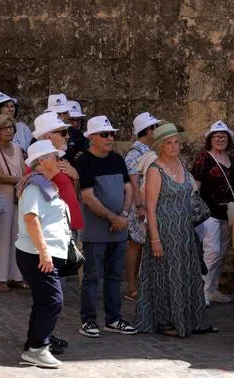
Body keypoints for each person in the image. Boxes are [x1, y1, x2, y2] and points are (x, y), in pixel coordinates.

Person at [137, 123, 211, 337]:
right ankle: (165, 321)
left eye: (177, 142)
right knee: (165, 277)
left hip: (184, 230)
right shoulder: (155, 170)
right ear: (160, 146)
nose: (174, 146)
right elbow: (150, 208)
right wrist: (155, 240)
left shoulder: (181, 163)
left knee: (186, 274)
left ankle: (189, 319)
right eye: (169, 143)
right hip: (165, 231)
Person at [14, 140, 76, 369]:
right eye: (54, 157)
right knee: (53, 300)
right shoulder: (34, 187)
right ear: (41, 162)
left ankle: (36, 344)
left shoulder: (44, 184)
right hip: (36, 254)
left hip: (41, 254)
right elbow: (31, 219)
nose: (59, 161)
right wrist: (44, 253)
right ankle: (37, 347)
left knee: (45, 301)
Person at [75, 115, 137, 337]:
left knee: (114, 277)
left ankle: (113, 319)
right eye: (105, 134)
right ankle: (88, 321)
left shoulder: (117, 159)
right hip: (96, 231)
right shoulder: (84, 162)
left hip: (118, 229)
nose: (110, 138)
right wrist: (114, 218)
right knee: (91, 278)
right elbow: (88, 197)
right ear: (92, 137)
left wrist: (123, 215)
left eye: (112, 134)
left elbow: (128, 189)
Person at [192, 120, 234, 305]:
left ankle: (212, 289)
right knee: (212, 251)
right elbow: (196, 184)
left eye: (223, 136)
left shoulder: (231, 159)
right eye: (216, 136)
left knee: (221, 254)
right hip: (208, 212)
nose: (220, 139)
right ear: (210, 139)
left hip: (227, 213)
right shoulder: (204, 158)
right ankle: (201, 291)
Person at [0, 114, 27, 292]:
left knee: (18, 237)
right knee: (1, 238)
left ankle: (16, 276)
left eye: (10, 127)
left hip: (17, 196)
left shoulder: (17, 148)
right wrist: (21, 180)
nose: (8, 131)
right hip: (1, 197)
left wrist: (22, 182)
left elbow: (24, 170)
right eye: (4, 128)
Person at [125, 111, 161, 302]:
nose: (156, 130)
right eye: (154, 127)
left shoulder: (148, 151)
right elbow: (133, 180)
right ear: (147, 130)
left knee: (140, 244)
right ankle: (131, 286)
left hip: (147, 203)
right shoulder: (136, 152)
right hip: (139, 204)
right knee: (135, 244)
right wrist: (139, 205)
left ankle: (138, 284)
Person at [33, 111, 84, 235]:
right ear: (47, 136)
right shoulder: (38, 164)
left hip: (68, 227)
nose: (67, 136)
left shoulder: (61, 160)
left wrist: (76, 177)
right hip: (54, 230)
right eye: (63, 133)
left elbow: (76, 195)